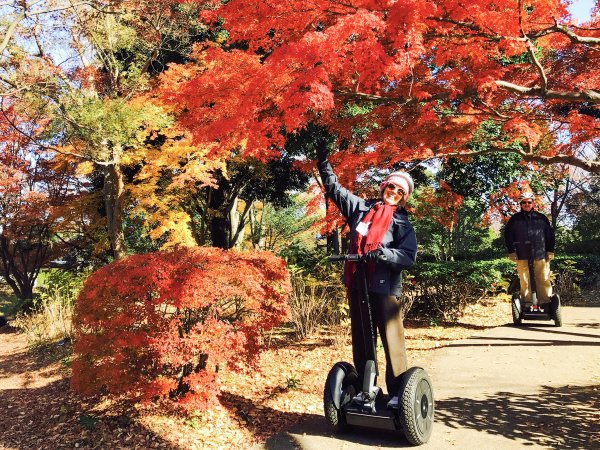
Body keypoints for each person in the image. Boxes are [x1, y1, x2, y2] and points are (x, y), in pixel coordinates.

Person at [316, 140, 417, 408]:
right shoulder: (361, 210)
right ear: (383, 187)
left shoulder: (402, 223)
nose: (393, 192)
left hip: (385, 287)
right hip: (359, 284)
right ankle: (365, 388)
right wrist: (323, 162)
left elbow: (408, 256)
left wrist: (384, 254)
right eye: (390, 186)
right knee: (362, 340)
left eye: (399, 190)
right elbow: (334, 190)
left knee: (391, 340)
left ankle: (397, 394)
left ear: (403, 196)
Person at [504, 191, 555, 311]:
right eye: (524, 202)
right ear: (521, 204)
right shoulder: (514, 219)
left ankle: (545, 302)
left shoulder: (541, 218)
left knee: (543, 278)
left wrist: (550, 250)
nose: (527, 204)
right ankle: (527, 303)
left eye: (529, 202)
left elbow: (550, 235)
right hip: (522, 253)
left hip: (540, 252)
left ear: (532, 203)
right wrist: (511, 251)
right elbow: (508, 235)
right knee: (524, 279)